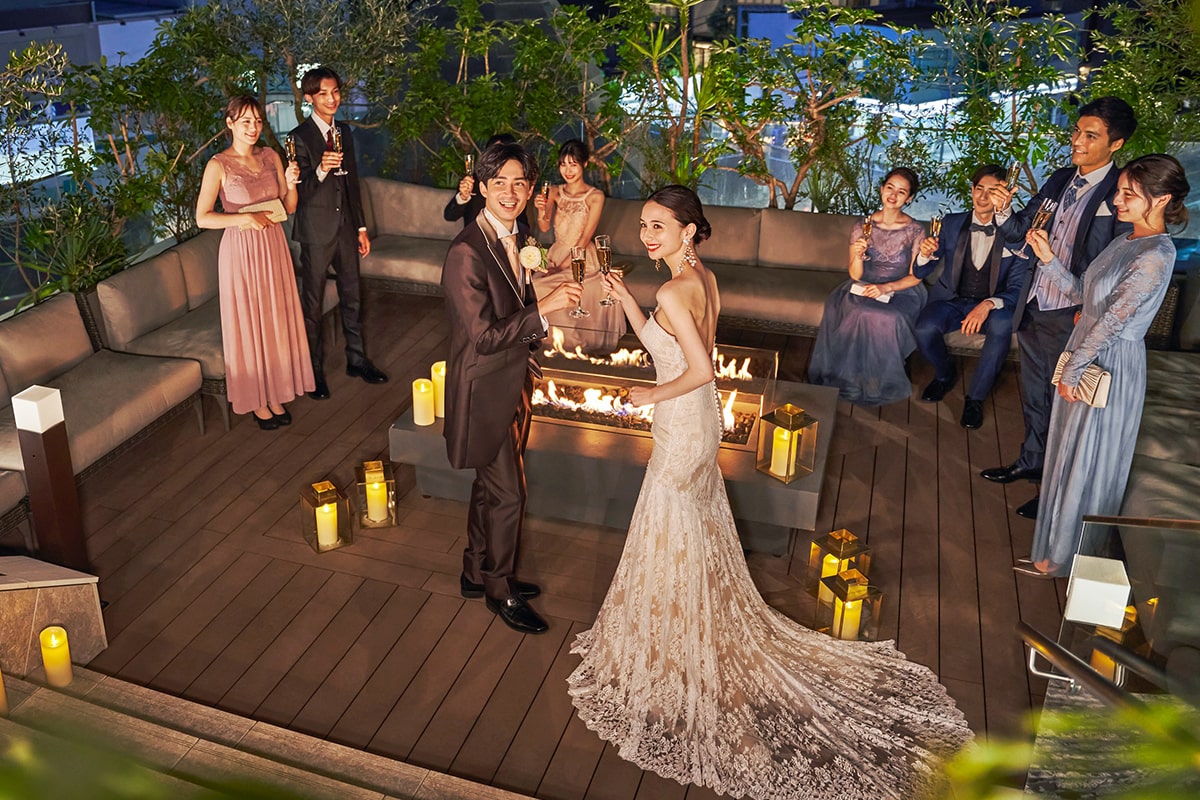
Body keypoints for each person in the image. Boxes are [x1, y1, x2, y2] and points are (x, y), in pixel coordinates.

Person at [570, 185, 972, 799]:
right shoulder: (700, 278)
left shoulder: (675, 290)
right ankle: (681, 626)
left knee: (671, 523)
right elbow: (668, 346)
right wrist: (625, 297)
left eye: (659, 226)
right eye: (644, 225)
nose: (647, 236)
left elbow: (699, 368)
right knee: (685, 526)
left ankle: (677, 644)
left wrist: (649, 394)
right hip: (694, 421)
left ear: (688, 231)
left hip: (683, 421)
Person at [1014, 155, 1189, 579]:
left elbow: (1114, 321)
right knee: (1068, 451)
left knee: (1088, 459)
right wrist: (1048, 258)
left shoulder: (1156, 254)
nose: (1117, 200)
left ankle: (1065, 557)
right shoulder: (1125, 240)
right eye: (1119, 191)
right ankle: (1052, 550)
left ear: (1161, 199)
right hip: (1087, 347)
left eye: (1129, 194)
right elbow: (1084, 295)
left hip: (1110, 360)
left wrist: (1073, 369)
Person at [441, 141, 582, 634]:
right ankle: (499, 589)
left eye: (519, 182)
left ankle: (474, 570)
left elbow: (513, 299)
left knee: (490, 486)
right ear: (482, 188)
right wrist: (544, 310)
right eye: (499, 182)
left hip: (514, 379)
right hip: (485, 389)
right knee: (509, 496)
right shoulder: (465, 252)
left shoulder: (516, 234)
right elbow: (482, 338)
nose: (510, 191)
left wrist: (538, 293)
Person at [981, 97, 1137, 520]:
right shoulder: (1060, 179)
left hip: (1073, 314)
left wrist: (1091, 313)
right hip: (1035, 304)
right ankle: (1032, 462)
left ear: (1116, 144)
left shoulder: (1121, 194)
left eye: (1091, 135)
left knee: (1064, 405)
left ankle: (1053, 488)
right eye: (1076, 132)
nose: (1077, 141)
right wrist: (1004, 209)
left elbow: (1119, 265)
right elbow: (1022, 231)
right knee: (1035, 395)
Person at [196, 95, 314, 430]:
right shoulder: (218, 165)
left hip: (273, 245)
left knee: (275, 320)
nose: (253, 127)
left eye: (258, 121)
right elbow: (202, 218)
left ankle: (275, 392)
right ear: (230, 123)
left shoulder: (270, 155)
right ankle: (257, 399)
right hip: (241, 251)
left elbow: (289, 206)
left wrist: (290, 183)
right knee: (250, 323)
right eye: (246, 121)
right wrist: (243, 220)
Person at [289, 66, 388, 401]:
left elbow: (351, 183)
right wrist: (320, 168)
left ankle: (357, 360)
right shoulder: (298, 137)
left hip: (346, 228)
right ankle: (313, 373)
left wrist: (360, 227)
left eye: (335, 92)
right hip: (315, 233)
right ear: (309, 98)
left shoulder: (343, 130)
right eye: (323, 94)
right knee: (313, 305)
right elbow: (300, 194)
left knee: (353, 296)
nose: (332, 99)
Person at [913, 165, 1030, 429]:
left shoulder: (1017, 233)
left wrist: (987, 305)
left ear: (1004, 195)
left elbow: (1017, 287)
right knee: (923, 328)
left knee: (1002, 325)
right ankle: (945, 375)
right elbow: (921, 271)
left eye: (993, 191)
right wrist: (925, 254)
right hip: (953, 300)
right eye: (979, 189)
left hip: (993, 305)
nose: (984, 197)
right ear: (972, 190)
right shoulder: (952, 222)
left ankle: (975, 398)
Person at [808, 168, 928, 405]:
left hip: (902, 290)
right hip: (863, 286)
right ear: (882, 189)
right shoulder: (863, 226)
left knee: (889, 317)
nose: (893, 195)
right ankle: (852, 378)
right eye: (890, 188)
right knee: (859, 311)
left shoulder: (916, 230)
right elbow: (855, 274)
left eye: (901, 192)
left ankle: (880, 379)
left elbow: (916, 277)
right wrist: (857, 254)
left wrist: (886, 288)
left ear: (909, 198)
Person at [531, 138, 624, 354]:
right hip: (556, 252)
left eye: (573, 164)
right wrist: (541, 209)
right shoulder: (554, 191)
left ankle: (571, 345)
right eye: (563, 164)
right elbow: (544, 227)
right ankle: (548, 343)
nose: (568, 170)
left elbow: (584, 238)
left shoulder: (595, 196)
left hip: (582, 257)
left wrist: (562, 267)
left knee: (560, 287)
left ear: (584, 164)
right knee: (534, 287)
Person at [443, 133, 517, 228]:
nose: (499, 157)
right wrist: (463, 197)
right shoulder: (472, 182)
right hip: (476, 236)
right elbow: (450, 216)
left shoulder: (518, 184)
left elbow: (522, 222)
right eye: (494, 152)